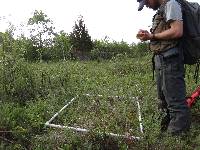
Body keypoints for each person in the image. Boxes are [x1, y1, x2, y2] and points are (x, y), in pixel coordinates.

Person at [136, 0, 191, 135]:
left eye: (147, 2)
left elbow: (177, 31)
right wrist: (149, 35)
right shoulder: (162, 9)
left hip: (170, 60)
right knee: (164, 100)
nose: (147, 6)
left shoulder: (171, 4)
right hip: (162, 61)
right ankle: (162, 133)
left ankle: (176, 139)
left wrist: (152, 36)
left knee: (175, 103)